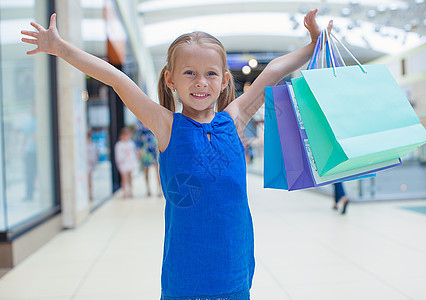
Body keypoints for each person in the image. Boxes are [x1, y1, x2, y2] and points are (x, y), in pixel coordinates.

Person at [21, 10, 332, 299]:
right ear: (170, 79)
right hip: (185, 277)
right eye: (189, 73)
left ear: (225, 79)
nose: (200, 82)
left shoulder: (235, 119)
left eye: (211, 73)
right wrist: (62, 49)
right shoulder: (166, 125)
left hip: (234, 270)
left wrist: (313, 45)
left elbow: (274, 70)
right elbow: (116, 79)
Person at [134, 120, 162, 197]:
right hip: (145, 148)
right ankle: (148, 189)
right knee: (146, 169)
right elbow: (137, 137)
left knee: (158, 168)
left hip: (155, 146)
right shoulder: (139, 122)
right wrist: (138, 149)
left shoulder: (154, 118)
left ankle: (159, 188)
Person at [114, 127, 137, 198]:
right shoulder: (119, 145)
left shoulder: (131, 143)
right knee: (124, 178)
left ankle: (130, 191)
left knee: (130, 177)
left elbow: (133, 153)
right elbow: (118, 155)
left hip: (130, 163)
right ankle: (125, 192)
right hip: (123, 164)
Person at [86, 131, 99, 200]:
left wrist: (94, 166)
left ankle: (90, 193)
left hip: (90, 166)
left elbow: (94, 156)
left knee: (89, 180)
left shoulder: (92, 146)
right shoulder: (82, 146)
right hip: (84, 166)